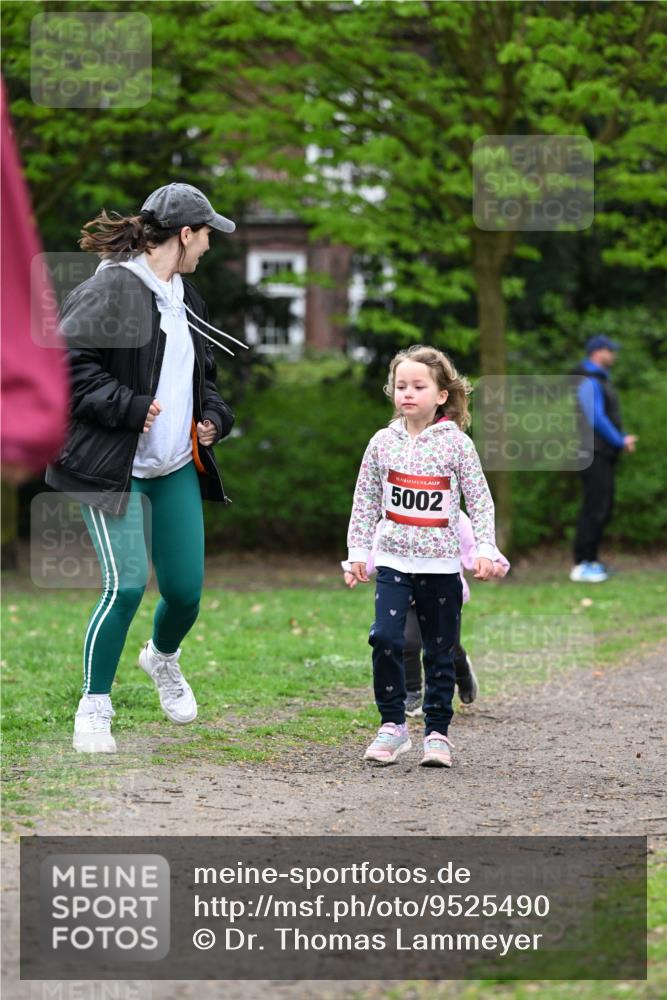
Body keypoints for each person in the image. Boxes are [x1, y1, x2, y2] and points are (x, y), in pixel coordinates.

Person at [45, 182, 241, 753]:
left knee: (185, 595)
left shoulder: (189, 297)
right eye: (206, 235)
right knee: (126, 587)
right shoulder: (111, 290)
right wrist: (129, 406)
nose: (208, 246)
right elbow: (66, 368)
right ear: (184, 234)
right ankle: (94, 707)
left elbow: (206, 382)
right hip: (113, 465)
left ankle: (161, 658)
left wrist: (213, 418)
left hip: (176, 463)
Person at [347, 345, 497, 768]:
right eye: (400, 386)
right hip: (393, 561)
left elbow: (480, 501)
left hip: (442, 567)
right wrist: (357, 551)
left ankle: (436, 733)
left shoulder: (458, 445)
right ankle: (393, 726)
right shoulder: (381, 443)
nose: (407, 393)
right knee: (387, 638)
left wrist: (484, 549)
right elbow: (365, 500)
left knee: (439, 650)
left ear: (442, 395)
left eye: (418, 386)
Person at [341, 511, 510, 715]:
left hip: (443, 590)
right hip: (405, 588)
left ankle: (463, 674)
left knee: (446, 646)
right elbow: (379, 545)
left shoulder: (453, 511)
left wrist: (492, 562)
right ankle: (412, 692)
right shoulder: (397, 507)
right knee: (408, 640)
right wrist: (356, 567)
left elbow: (473, 543)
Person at [571, 335, 637, 583]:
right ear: (598, 352)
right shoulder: (589, 380)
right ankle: (581, 564)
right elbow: (595, 417)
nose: (614, 355)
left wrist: (619, 440)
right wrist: (620, 440)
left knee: (603, 507)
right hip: (592, 453)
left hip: (602, 452)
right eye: (611, 351)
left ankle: (592, 560)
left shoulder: (599, 379)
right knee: (594, 507)